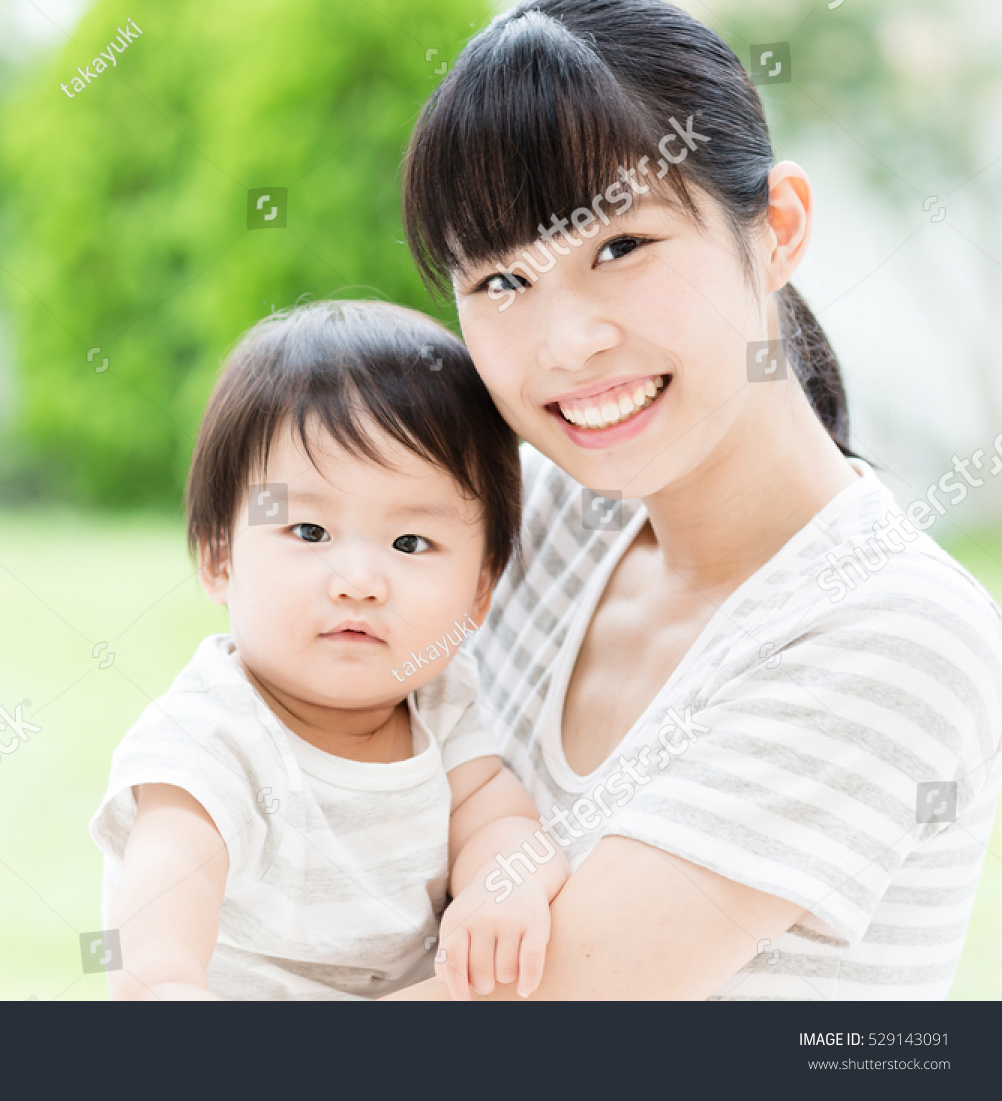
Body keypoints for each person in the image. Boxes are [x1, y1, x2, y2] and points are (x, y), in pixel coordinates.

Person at [390, 0, 1002, 999]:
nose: (566, 342)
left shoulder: (894, 632)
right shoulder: (525, 525)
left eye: (620, 247)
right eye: (502, 280)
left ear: (779, 230)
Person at [89, 300, 566, 999]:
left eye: (410, 543)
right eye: (309, 531)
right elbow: (163, 902)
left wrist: (505, 884)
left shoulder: (442, 702)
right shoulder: (213, 736)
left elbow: (495, 813)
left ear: (479, 591)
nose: (360, 583)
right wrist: (164, 985)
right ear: (221, 554)